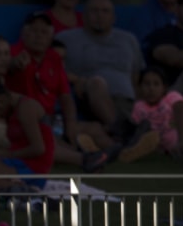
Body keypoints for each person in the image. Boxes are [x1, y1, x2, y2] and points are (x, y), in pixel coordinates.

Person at [9, 11, 135, 170]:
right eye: (34, 31)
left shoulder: (53, 58)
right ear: (24, 33)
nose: (38, 36)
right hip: (24, 121)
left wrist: (71, 126)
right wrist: (13, 65)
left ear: (51, 36)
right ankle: (85, 158)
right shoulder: (13, 53)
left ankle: (123, 153)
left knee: (95, 129)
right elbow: (5, 70)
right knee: (45, 140)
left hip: (52, 119)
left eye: (43, 32)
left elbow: (66, 97)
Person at [57, 0, 144, 135]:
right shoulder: (66, 39)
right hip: (88, 99)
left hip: (125, 101)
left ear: (114, 17)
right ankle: (123, 132)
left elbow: (136, 79)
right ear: (84, 16)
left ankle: (121, 135)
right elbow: (53, 70)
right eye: (94, 11)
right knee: (97, 82)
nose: (100, 15)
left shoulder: (129, 40)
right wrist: (77, 80)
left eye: (105, 11)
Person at [0, 76, 56, 177]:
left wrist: (8, 154)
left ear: (0, 101)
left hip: (32, 167)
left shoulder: (26, 108)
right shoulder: (11, 111)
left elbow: (38, 148)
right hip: (17, 160)